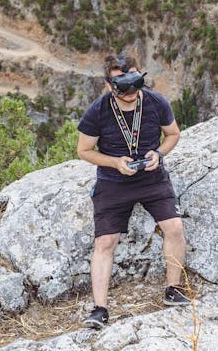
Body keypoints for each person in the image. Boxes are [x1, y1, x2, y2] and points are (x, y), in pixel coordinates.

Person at [77, 55, 189, 329]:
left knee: (174, 227)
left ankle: (172, 289)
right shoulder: (97, 111)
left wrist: (158, 154)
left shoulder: (155, 102)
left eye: (135, 85)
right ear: (108, 84)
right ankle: (99, 309)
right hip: (113, 181)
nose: (130, 94)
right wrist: (115, 162)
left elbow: (173, 134)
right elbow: (83, 150)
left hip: (151, 176)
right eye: (122, 87)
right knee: (105, 242)